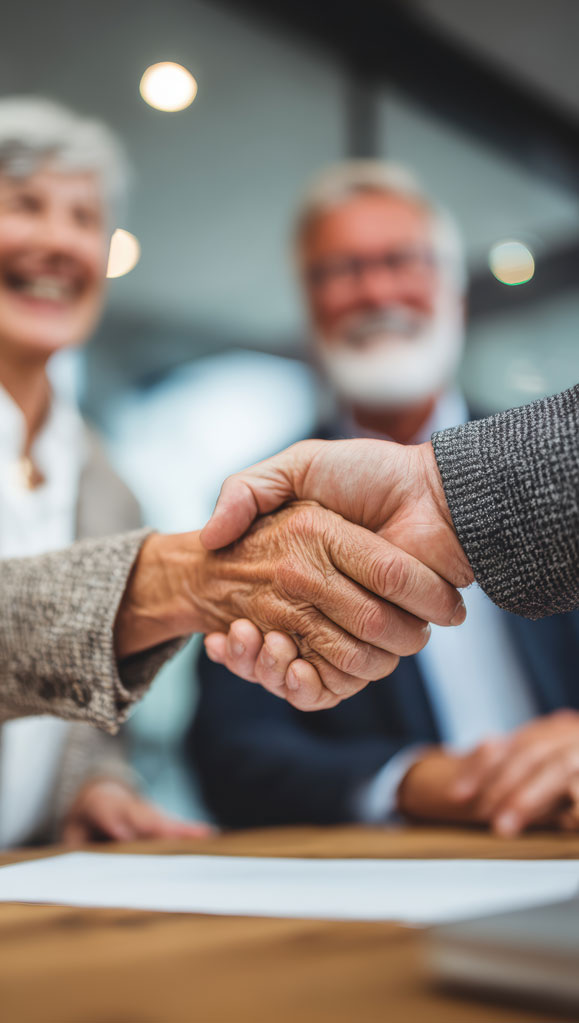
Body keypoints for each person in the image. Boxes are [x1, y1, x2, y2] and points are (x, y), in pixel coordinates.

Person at [0, 103, 463, 862]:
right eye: (25, 205)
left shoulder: (105, 480)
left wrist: (95, 787)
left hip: (23, 893)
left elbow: (80, 725)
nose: (60, 241)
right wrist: (182, 580)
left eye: (84, 217)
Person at [190, 162, 579, 837]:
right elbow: (232, 752)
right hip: (397, 862)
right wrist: (411, 779)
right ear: (309, 308)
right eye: (341, 270)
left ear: (455, 292)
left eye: (401, 260)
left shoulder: (549, 461)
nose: (375, 290)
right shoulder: (260, 499)